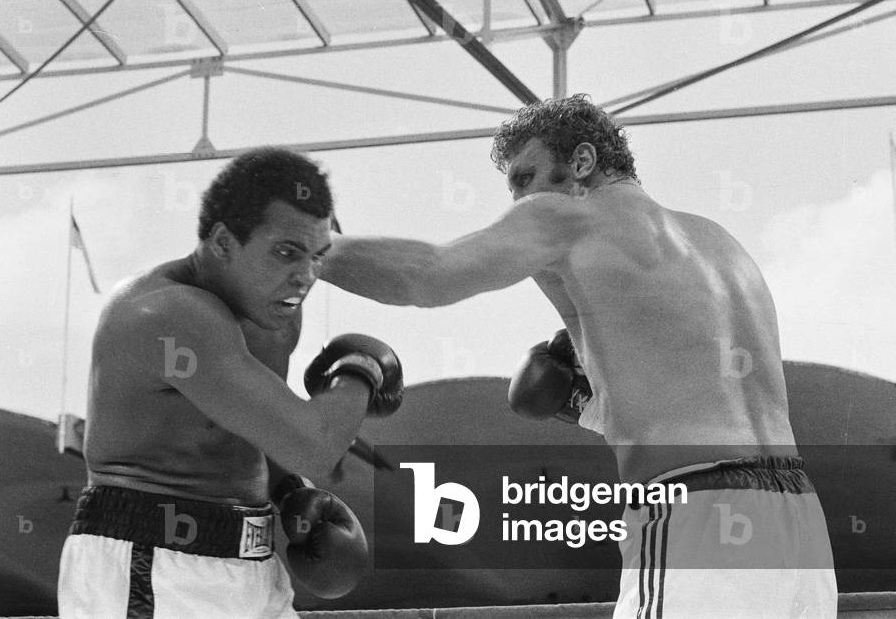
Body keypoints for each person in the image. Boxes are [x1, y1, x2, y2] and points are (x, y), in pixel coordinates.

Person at [320, 95, 837, 618]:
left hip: (698, 512)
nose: (518, 200)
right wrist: (587, 405)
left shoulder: (567, 217)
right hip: (800, 523)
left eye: (525, 178)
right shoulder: (719, 242)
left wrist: (313, 247)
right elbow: (701, 393)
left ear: (582, 163)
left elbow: (428, 274)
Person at [58, 147, 404, 619]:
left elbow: (251, 429)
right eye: (285, 253)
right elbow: (314, 445)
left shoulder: (274, 311)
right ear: (223, 241)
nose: (304, 277)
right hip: (151, 562)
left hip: (249, 562)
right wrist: (361, 368)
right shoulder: (166, 313)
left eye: (317, 257)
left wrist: (290, 492)